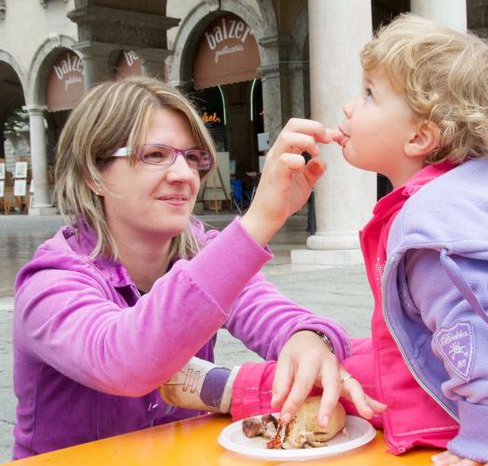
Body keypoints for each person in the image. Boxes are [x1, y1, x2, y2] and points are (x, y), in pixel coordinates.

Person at [228, 15, 488, 466]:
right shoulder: (473, 190)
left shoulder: (435, 227)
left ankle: (227, 388)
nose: (350, 108)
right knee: (353, 352)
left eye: (370, 94)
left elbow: (474, 329)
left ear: (419, 136)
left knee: (338, 378)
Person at [11, 77, 383, 459]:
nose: (184, 175)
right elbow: (125, 360)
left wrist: (306, 337)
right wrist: (260, 219)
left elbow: (267, 311)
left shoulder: (199, 249)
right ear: (94, 174)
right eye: (154, 155)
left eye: (192, 158)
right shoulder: (50, 281)